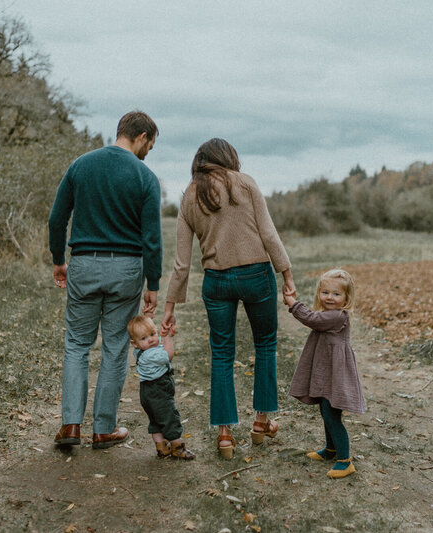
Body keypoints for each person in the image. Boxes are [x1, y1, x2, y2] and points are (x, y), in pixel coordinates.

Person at [161, 138, 296, 459]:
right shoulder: (245, 184)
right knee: (265, 345)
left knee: (221, 355)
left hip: (217, 281)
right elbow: (268, 233)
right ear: (229, 158)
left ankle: (224, 435)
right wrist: (287, 275)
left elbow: (182, 262)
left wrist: (169, 308)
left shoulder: (190, 195)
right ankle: (262, 421)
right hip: (256, 277)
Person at [49, 110, 162, 449]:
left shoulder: (81, 165)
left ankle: (70, 427)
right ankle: (103, 429)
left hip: (83, 264)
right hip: (126, 269)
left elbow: (57, 219)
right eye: (150, 145)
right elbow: (152, 238)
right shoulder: (145, 176)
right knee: (115, 348)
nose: (147, 153)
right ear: (141, 137)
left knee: (76, 345)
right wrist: (152, 282)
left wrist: (58, 260)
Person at [283, 268, 367, 478]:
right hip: (326, 372)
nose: (330, 297)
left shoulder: (338, 316)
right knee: (325, 411)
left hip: (336, 376)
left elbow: (312, 319)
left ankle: (345, 460)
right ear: (319, 293)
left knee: (332, 415)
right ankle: (331, 450)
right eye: (325, 292)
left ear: (346, 298)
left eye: (337, 294)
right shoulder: (328, 314)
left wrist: (294, 304)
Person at [127, 315, 195, 460]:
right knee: (169, 416)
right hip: (158, 390)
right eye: (144, 338)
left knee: (156, 420)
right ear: (134, 343)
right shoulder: (151, 354)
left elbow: (156, 345)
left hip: (146, 392)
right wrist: (168, 338)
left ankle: (162, 448)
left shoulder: (141, 351)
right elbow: (168, 355)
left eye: (152, 334)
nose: (151, 339)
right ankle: (178, 448)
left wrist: (164, 329)